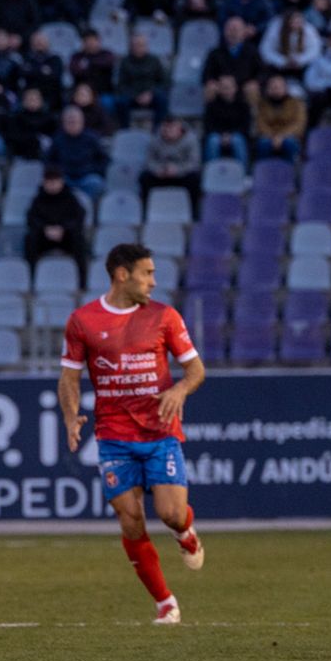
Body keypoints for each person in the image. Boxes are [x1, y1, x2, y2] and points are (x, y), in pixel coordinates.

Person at [60, 243, 207, 624]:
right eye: (148, 273)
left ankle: (185, 532)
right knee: (130, 520)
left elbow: (195, 370)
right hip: (113, 435)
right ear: (122, 275)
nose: (154, 282)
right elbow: (70, 377)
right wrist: (71, 415)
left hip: (160, 431)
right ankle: (165, 603)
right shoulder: (83, 321)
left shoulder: (165, 317)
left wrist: (178, 390)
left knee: (171, 514)